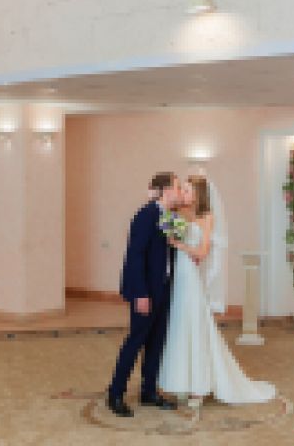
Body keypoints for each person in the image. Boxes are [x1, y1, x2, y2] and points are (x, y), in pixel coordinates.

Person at [159, 175, 276, 409]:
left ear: (198, 194)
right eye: (183, 189)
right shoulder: (178, 214)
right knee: (180, 328)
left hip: (191, 279)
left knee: (196, 330)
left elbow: (202, 253)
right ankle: (181, 383)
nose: (183, 193)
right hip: (178, 277)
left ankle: (199, 388)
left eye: (187, 190)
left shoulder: (206, 217)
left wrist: (179, 244)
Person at [107, 172, 181, 417]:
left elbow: (174, 248)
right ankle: (115, 393)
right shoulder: (145, 214)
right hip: (146, 290)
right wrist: (140, 293)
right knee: (136, 341)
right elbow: (135, 256)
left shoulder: (170, 217)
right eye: (177, 187)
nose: (179, 192)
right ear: (165, 190)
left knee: (156, 342)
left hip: (164, 288)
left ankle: (149, 391)